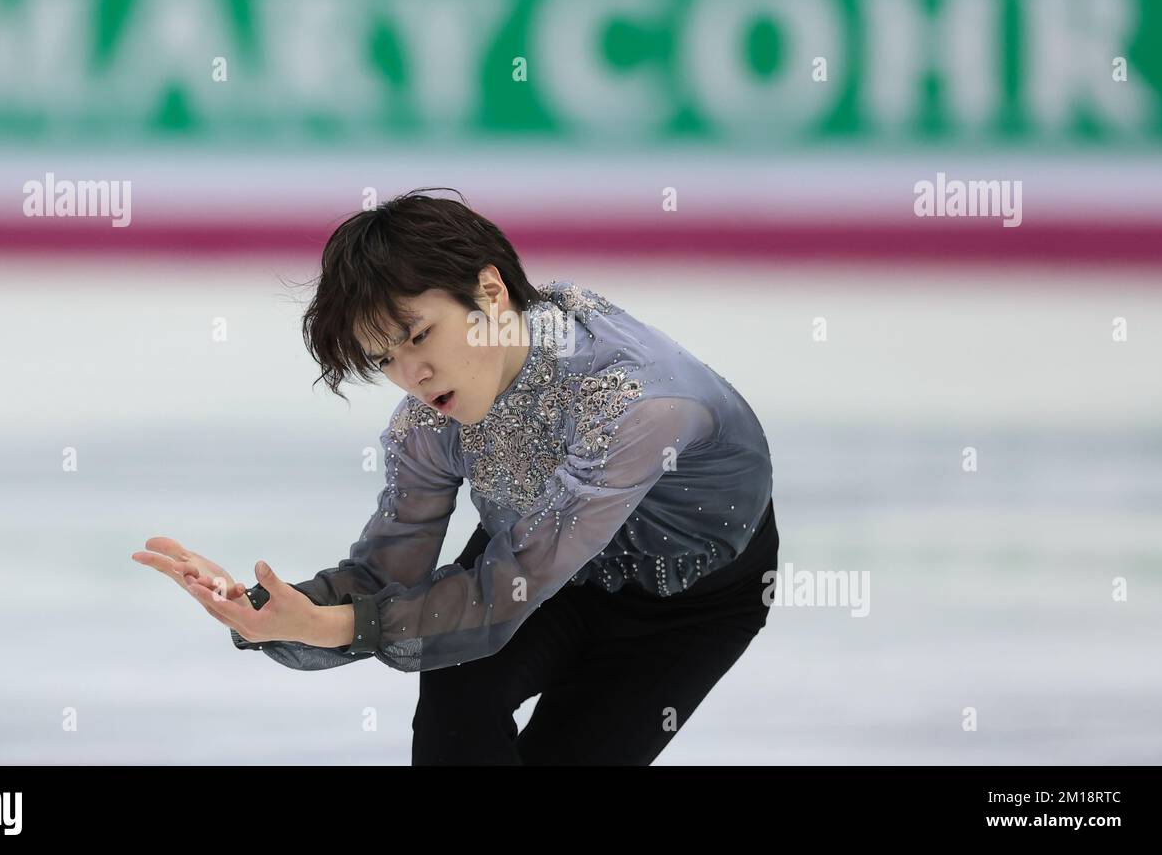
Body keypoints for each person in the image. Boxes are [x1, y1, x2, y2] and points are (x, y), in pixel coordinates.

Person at [132, 187, 777, 765]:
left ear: (490, 293)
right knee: (455, 691)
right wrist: (263, 609)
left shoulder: (634, 406)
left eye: (418, 335)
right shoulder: (432, 422)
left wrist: (327, 627)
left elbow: (506, 592)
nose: (411, 373)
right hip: (539, 554)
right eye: (385, 357)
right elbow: (383, 580)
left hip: (688, 603)